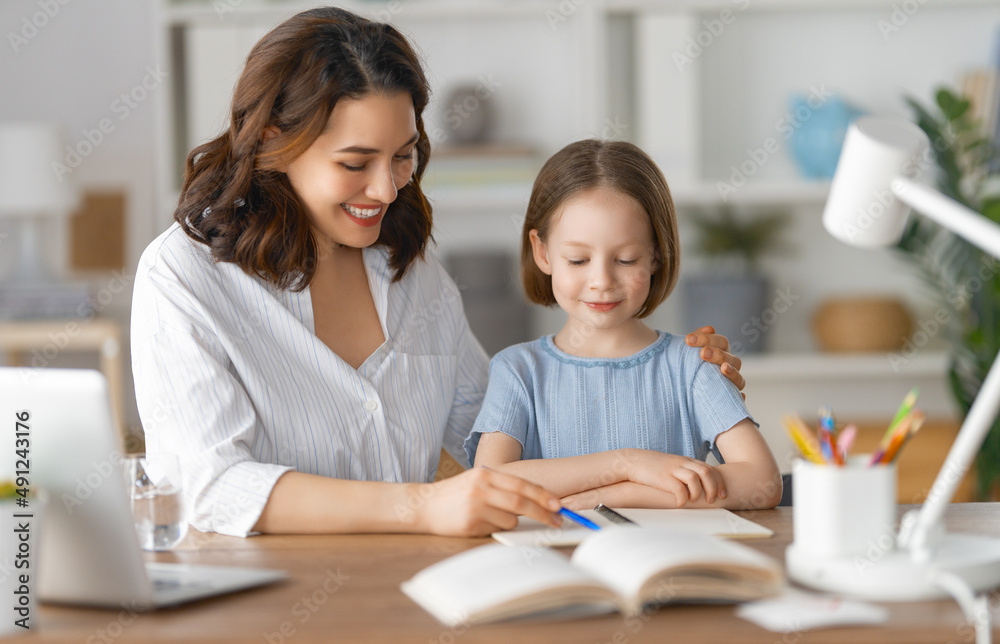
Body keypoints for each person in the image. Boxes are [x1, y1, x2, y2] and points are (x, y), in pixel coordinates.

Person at [130, 7, 749, 538]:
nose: (386, 187)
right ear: (273, 139)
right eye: (355, 162)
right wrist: (423, 506)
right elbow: (207, 486)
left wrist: (667, 383)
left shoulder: (409, 272)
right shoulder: (184, 279)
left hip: (415, 589)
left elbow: (505, 436)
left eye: (402, 157)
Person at [467, 140, 782, 511]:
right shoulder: (518, 369)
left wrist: (612, 495)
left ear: (655, 255)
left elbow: (763, 482)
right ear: (542, 252)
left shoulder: (692, 364)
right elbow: (491, 481)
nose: (602, 280)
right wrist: (627, 463)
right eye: (579, 259)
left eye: (626, 259)